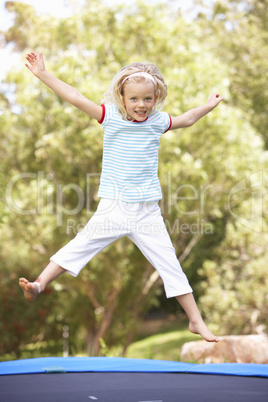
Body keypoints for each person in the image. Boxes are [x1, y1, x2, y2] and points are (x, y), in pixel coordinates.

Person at [19, 52, 223, 342]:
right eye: (135, 99)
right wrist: (42, 74)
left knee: (170, 265)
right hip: (114, 207)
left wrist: (208, 106)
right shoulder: (109, 117)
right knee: (80, 247)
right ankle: (39, 284)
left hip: (147, 212)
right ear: (122, 98)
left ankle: (195, 321)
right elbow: (76, 97)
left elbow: (187, 119)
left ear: (156, 98)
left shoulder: (157, 121)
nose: (141, 105)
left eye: (148, 99)